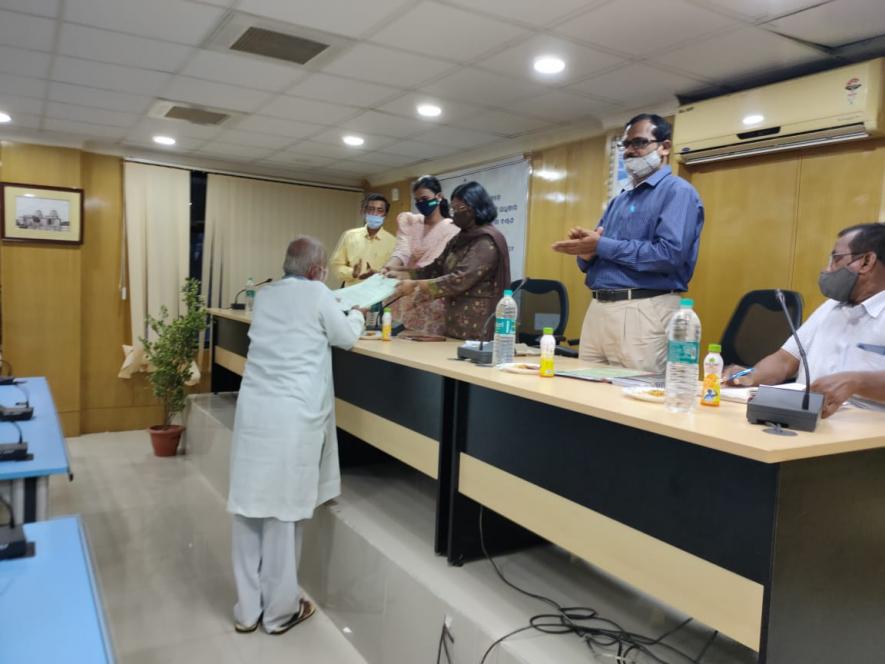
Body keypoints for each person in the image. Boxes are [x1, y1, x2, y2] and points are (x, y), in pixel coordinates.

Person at [227, 236, 364, 635]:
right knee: (283, 514)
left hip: (255, 411)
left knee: (249, 507)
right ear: (316, 270)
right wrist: (354, 312)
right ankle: (279, 613)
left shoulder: (266, 295)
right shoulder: (319, 293)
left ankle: (247, 611)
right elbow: (346, 337)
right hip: (292, 414)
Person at [552, 113, 704, 373]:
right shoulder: (619, 200)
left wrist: (600, 246)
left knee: (630, 400)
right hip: (599, 307)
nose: (630, 152)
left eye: (639, 143)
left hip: (644, 309)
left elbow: (669, 254)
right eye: (626, 146)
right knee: (584, 396)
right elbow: (598, 254)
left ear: (664, 147)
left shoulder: (678, 192)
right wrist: (586, 254)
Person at [724, 223, 885, 418]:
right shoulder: (830, 307)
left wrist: (857, 381)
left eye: (836, 259)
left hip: (864, 431)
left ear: (866, 262)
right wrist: (751, 376)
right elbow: (784, 361)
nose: (827, 269)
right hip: (804, 417)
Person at [392, 181, 510, 340]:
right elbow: (434, 268)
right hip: (455, 323)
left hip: (479, 328)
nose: (454, 215)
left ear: (476, 208)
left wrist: (414, 285)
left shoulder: (486, 241)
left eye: (459, 209)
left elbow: (458, 279)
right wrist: (401, 274)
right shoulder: (459, 239)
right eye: (453, 209)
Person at [382, 175, 459, 335]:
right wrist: (389, 267)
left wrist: (403, 274)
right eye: (417, 201)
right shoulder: (411, 221)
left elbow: (433, 266)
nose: (421, 204)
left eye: (425, 198)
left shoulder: (452, 229)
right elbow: (401, 251)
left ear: (438, 197)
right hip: (403, 294)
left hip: (429, 295)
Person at [329, 193, 396, 288]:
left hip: (378, 296)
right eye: (371, 209)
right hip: (351, 294)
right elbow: (336, 265)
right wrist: (352, 273)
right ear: (364, 211)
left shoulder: (393, 242)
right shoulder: (349, 236)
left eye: (380, 210)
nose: (375, 213)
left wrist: (377, 275)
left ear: (385, 214)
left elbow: (395, 274)